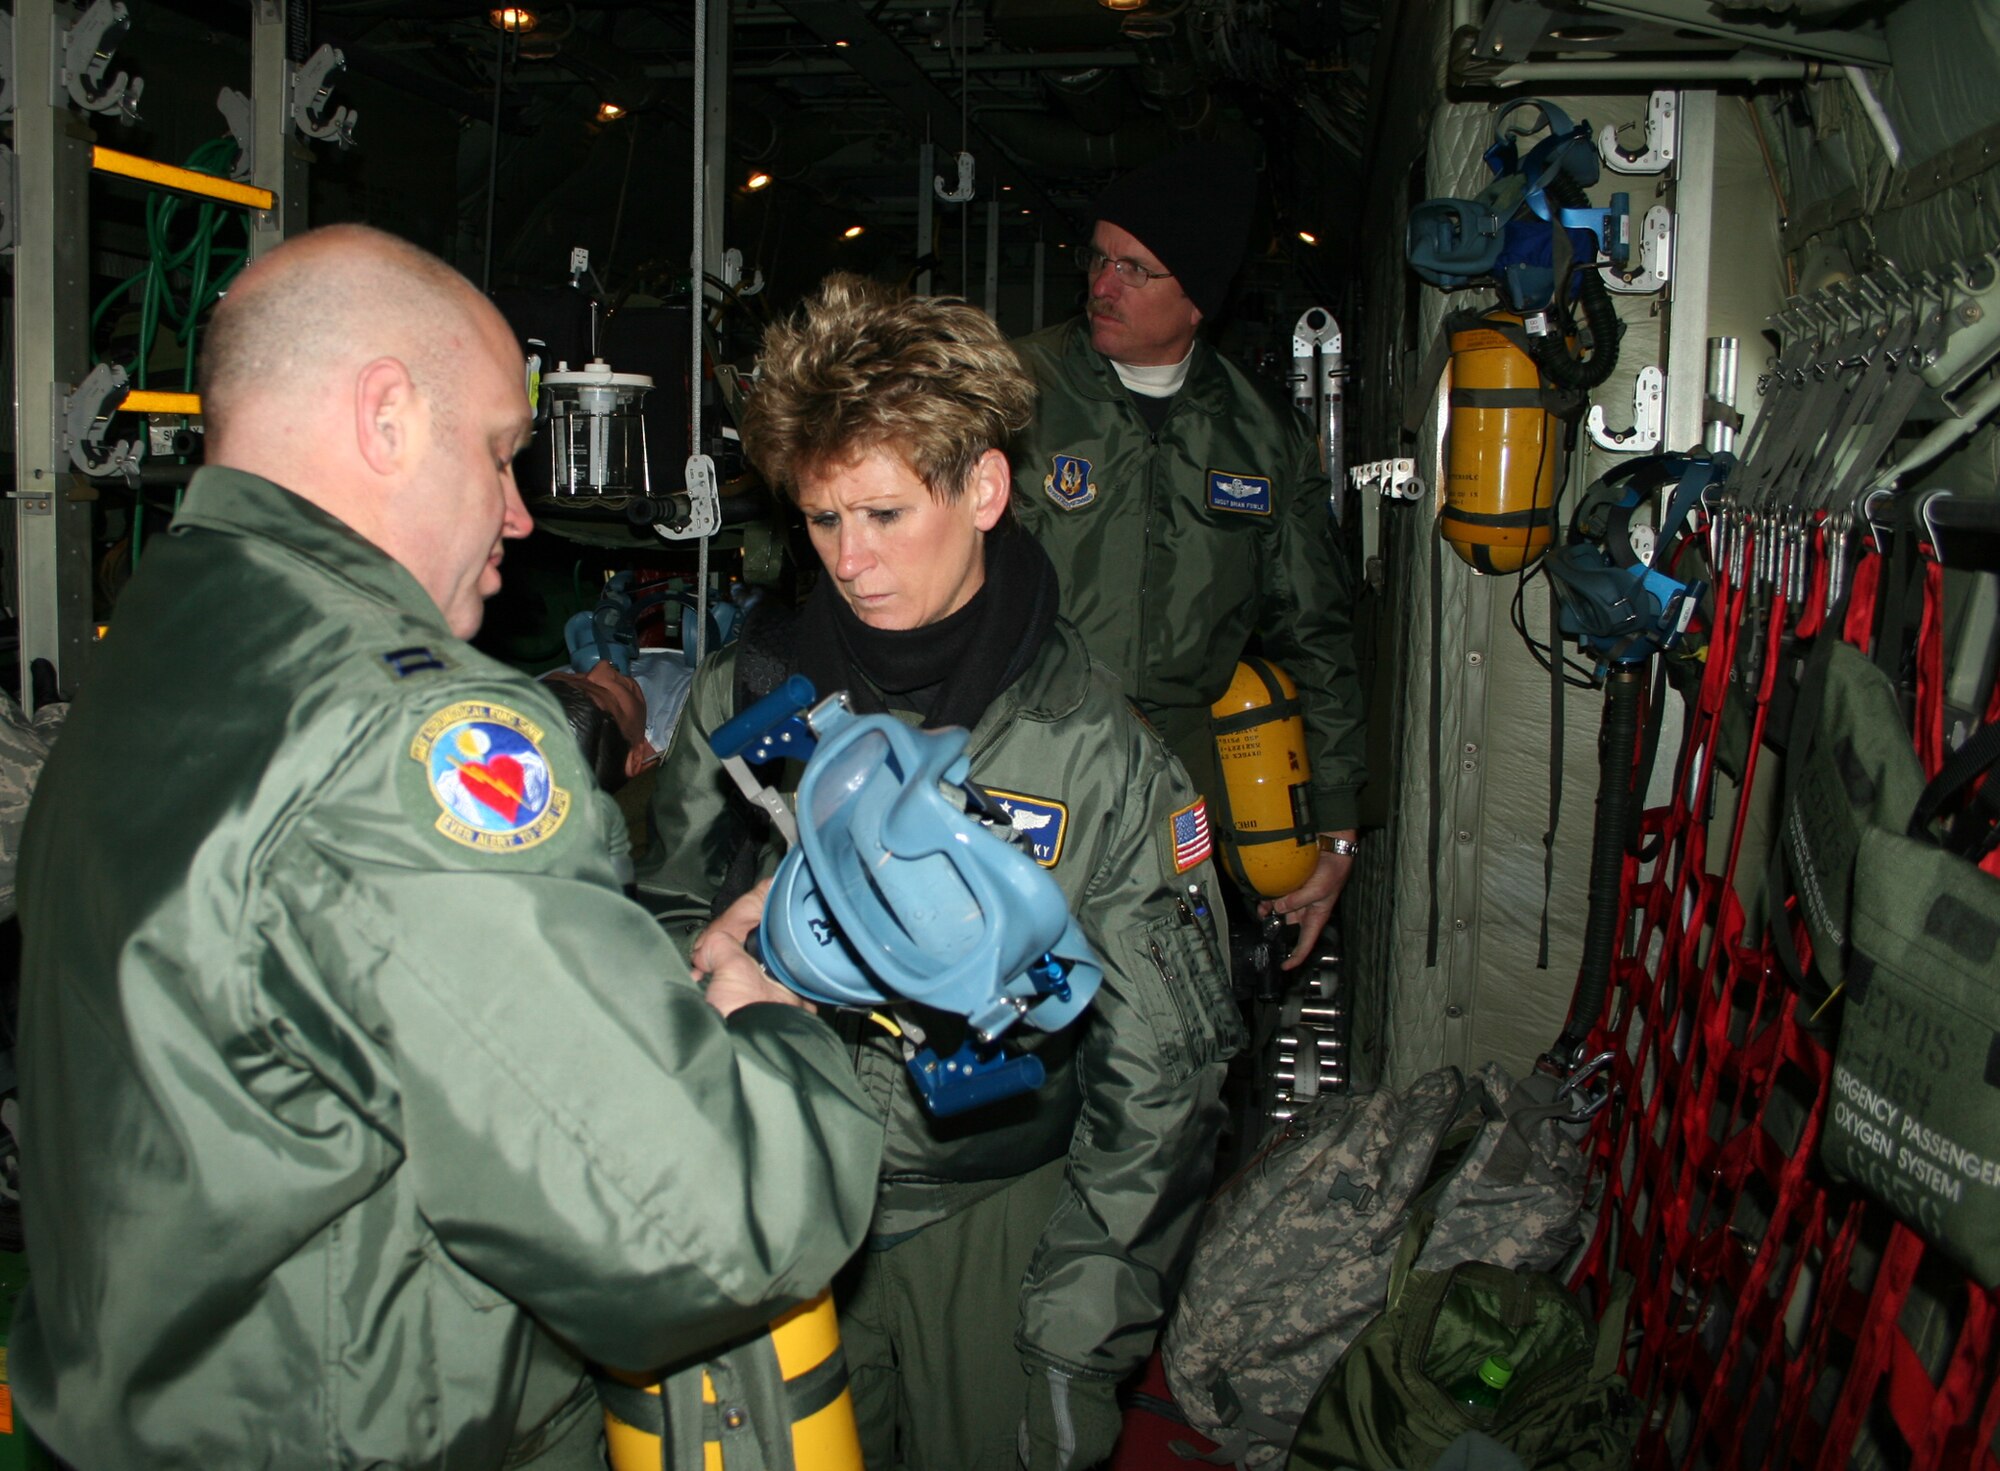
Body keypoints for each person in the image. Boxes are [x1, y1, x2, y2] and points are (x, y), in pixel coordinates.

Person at [11, 225, 883, 1471]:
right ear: (385, 416)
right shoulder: (410, 738)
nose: (521, 515)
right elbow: (698, 1228)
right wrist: (774, 1023)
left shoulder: (162, 642)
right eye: (499, 452)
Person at [636, 275, 1242, 1471]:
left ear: (982, 489)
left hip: (995, 1215)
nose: (849, 562)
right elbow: (656, 915)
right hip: (777, 1193)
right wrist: (705, 971)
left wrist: (1075, 1342)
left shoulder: (1098, 753)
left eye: (881, 514)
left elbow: (1162, 1084)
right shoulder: (748, 697)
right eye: (820, 522)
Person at [1010, 139, 1368, 968]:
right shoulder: (1013, 394)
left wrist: (1338, 828)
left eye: (1137, 270)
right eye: (1099, 259)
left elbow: (1317, 630)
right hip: (1027, 756)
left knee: (1174, 1026)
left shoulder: (1261, 435)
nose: (1103, 286)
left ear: (1199, 299)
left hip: (1183, 779)